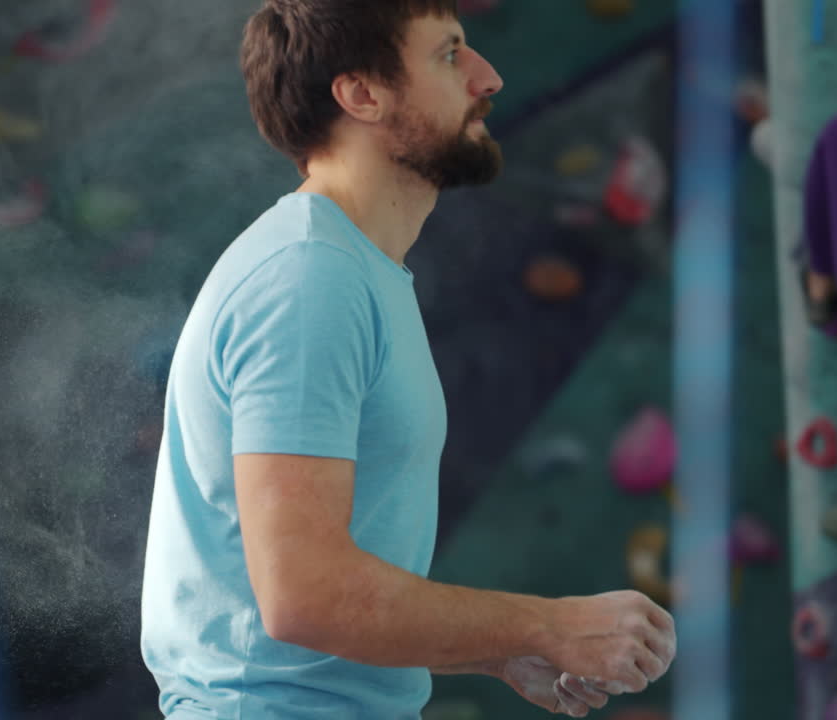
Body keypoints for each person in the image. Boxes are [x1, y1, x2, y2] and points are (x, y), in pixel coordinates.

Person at [139, 1, 677, 718]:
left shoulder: (349, 269)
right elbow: (305, 596)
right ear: (363, 93)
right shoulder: (311, 278)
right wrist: (546, 624)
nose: (488, 77)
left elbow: (317, 608)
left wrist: (496, 650)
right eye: (449, 54)